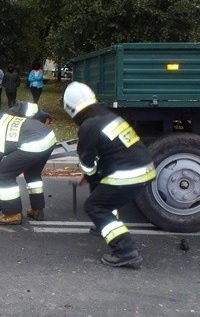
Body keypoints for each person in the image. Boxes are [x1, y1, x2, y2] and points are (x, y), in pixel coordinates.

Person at [63, 81, 156, 268]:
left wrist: (87, 175)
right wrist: (92, 177)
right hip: (144, 167)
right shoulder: (108, 116)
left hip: (127, 173)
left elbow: (87, 162)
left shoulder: (89, 126)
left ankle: (125, 251)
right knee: (100, 188)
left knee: (96, 206)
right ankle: (103, 227)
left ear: (71, 109)